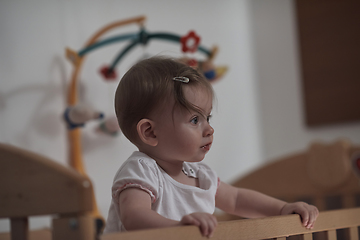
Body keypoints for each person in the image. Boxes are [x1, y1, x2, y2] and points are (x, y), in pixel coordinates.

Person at [103, 56, 319, 237]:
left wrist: (282, 209)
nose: (209, 129)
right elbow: (133, 216)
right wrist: (178, 229)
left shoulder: (200, 175)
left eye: (208, 117)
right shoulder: (141, 170)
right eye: (195, 120)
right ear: (150, 132)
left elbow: (236, 199)